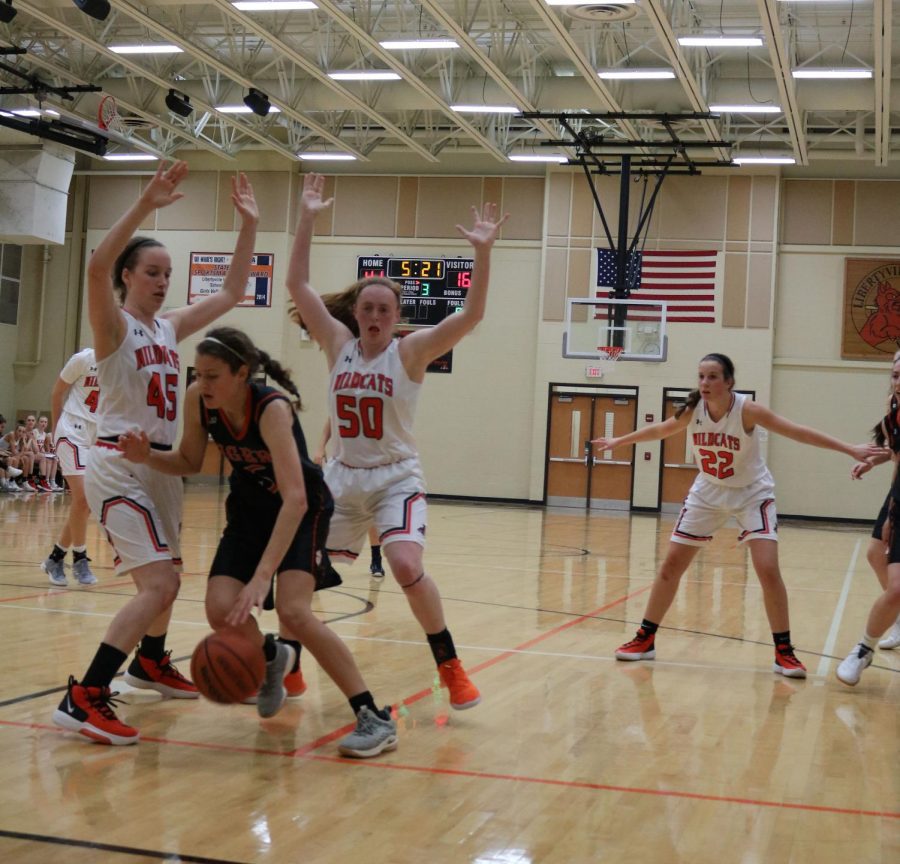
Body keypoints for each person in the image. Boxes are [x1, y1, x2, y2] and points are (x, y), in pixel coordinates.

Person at [52, 162, 259, 746]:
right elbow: (95, 265)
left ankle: (149, 662)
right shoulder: (112, 326)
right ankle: (85, 694)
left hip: (163, 468)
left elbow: (232, 292)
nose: (163, 281)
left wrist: (248, 226)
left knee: (170, 575)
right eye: (152, 272)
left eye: (168, 273)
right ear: (128, 276)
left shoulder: (167, 330)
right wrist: (145, 202)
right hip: (120, 463)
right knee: (159, 587)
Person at [118, 327, 397, 757]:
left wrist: (262, 578)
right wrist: (147, 456)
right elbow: (190, 461)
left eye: (213, 376)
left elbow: (296, 498)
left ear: (242, 373)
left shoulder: (271, 409)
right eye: (200, 374)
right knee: (219, 609)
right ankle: (272, 656)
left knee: (294, 612)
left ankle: (372, 715)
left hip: (300, 510)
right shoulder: (199, 400)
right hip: (249, 513)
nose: (203, 384)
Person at [286, 172, 508, 710]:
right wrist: (308, 217)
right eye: (368, 309)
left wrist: (481, 253)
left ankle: (451, 666)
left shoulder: (410, 353)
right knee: (299, 572)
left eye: (386, 310)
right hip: (340, 477)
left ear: (396, 317)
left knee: (407, 566)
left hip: (394, 476)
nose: (376, 317)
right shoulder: (336, 343)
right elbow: (296, 286)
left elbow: (473, 315)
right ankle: (288, 664)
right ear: (356, 314)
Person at [592, 352, 881, 679]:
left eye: (713, 376)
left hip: (751, 493)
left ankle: (784, 651)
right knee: (671, 564)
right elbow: (660, 430)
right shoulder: (692, 411)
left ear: (729, 382)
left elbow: (798, 431)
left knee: (768, 569)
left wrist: (849, 449)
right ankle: (645, 638)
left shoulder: (747, 410)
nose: (705, 383)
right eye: (701, 376)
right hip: (708, 492)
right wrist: (620, 440)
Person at [836, 355, 900, 685]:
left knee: (895, 583)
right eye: (894, 373)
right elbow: (896, 453)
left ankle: (868, 643)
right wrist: (874, 465)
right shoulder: (894, 410)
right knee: (876, 554)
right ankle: (888, 625)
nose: (897, 378)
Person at [41, 349, 100, 586]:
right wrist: (55, 431)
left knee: (85, 504)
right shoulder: (84, 358)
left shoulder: (122, 363)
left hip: (96, 437)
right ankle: (80, 558)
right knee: (83, 498)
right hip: (71, 432)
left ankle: (55, 558)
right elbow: (57, 392)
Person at [313, 417, 385, 577]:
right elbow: (331, 419)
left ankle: (376, 558)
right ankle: (318, 559)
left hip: (370, 465)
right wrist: (320, 447)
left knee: (369, 513)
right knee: (323, 510)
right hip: (341, 465)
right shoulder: (345, 396)